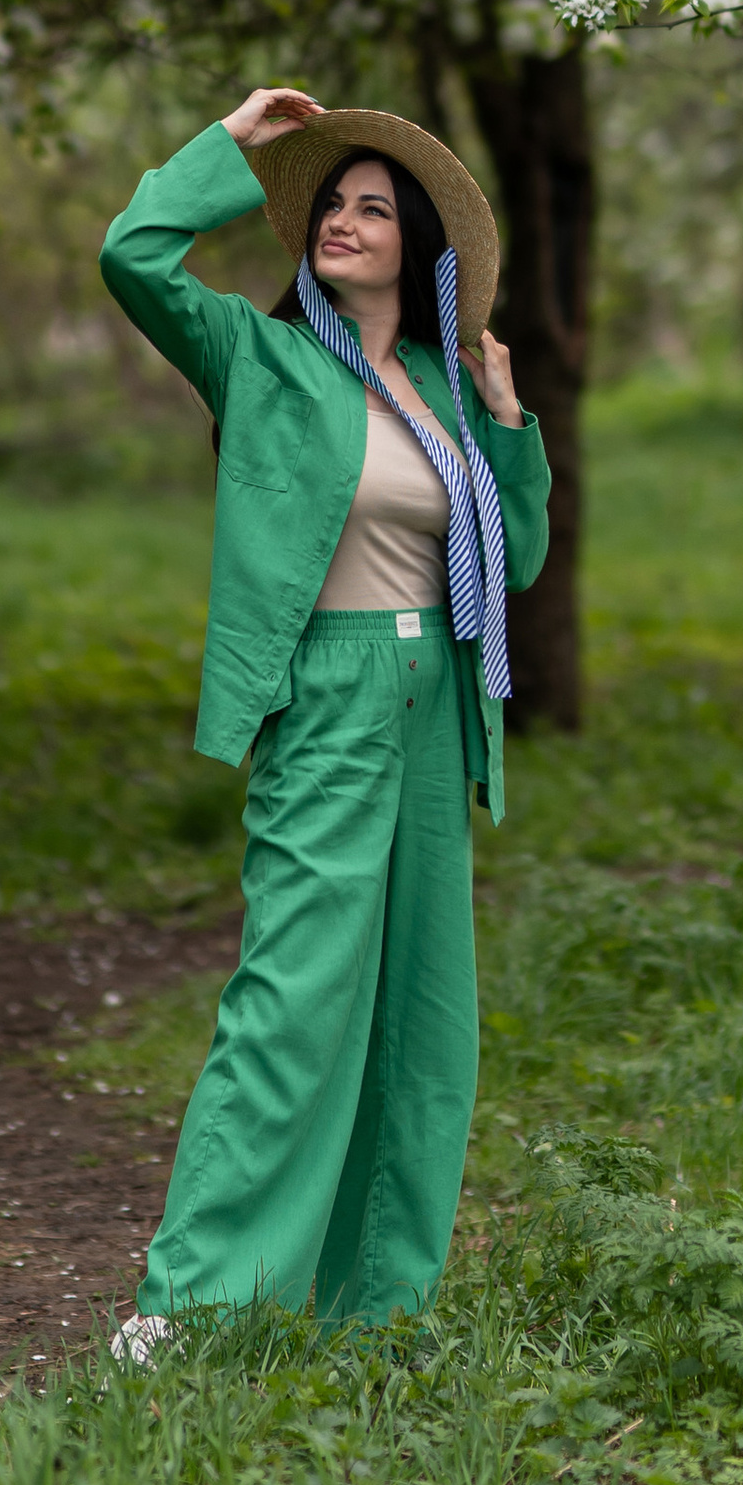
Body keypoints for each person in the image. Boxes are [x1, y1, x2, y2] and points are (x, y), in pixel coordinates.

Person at [98, 84, 550, 1352]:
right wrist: (231, 144)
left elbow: (512, 562)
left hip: (436, 706)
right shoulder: (262, 356)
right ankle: (189, 1308)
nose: (341, 222)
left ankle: (374, 1309)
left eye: (371, 209)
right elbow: (131, 258)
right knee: (292, 1000)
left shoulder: (441, 387)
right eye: (330, 207)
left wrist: (507, 424)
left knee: (422, 1019)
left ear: (418, 244)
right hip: (332, 695)